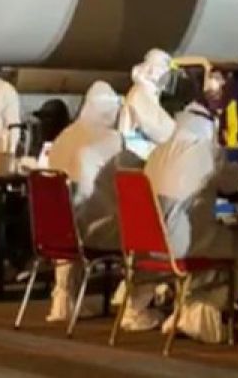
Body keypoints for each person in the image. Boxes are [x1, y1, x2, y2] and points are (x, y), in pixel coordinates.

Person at [120, 104, 238, 343]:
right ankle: (199, 310)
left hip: (149, 247)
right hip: (185, 246)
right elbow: (233, 182)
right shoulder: (208, 152)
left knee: (212, 241)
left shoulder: (157, 153)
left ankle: (186, 305)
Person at [43, 81, 139, 322]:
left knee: (76, 214)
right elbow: (135, 172)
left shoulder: (64, 136)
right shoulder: (111, 140)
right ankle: (136, 306)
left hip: (57, 231)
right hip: (96, 231)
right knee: (147, 233)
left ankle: (64, 299)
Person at [117, 48, 177, 161]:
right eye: (166, 73)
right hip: (138, 157)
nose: (168, 79)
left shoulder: (146, 92)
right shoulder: (142, 93)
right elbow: (160, 129)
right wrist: (181, 132)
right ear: (155, 71)